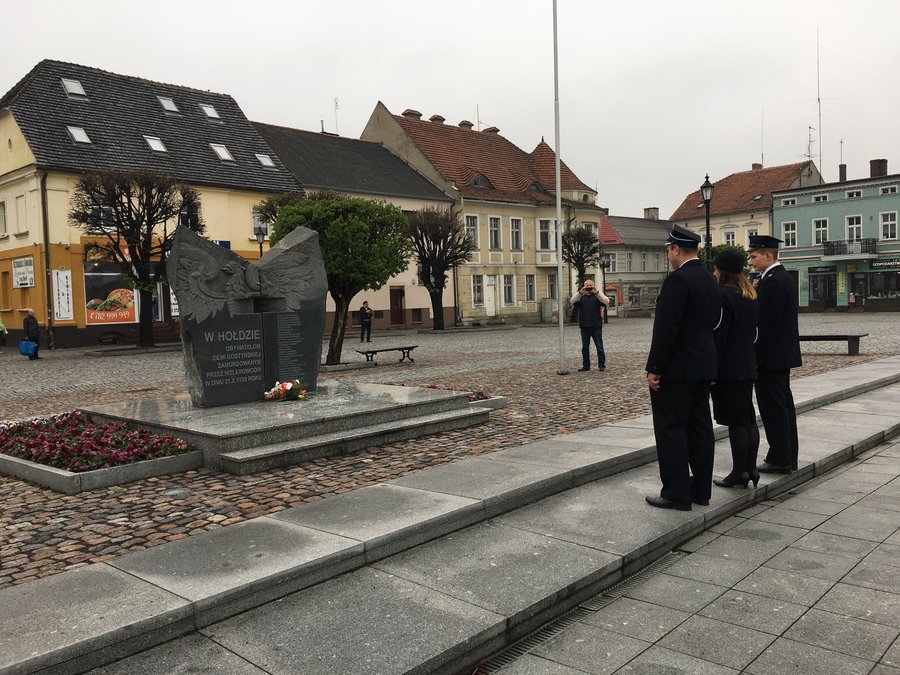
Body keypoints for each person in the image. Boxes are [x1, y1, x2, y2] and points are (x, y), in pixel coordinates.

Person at [644, 225, 721, 510]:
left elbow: (666, 329)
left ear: (676, 248)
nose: (668, 254)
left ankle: (676, 492)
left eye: (668, 249)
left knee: (671, 428)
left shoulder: (678, 281)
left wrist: (655, 367)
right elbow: (713, 322)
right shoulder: (709, 279)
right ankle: (701, 489)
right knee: (700, 428)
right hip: (703, 365)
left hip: (677, 368)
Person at [748, 235, 801, 474]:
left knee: (774, 408)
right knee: (783, 407)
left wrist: (756, 357)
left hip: (770, 357)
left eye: (754, 256)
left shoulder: (773, 281)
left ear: (768, 255)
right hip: (780, 355)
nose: (750, 261)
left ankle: (780, 457)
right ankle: (787, 455)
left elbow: (765, 324)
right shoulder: (779, 277)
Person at [710, 250, 761, 489]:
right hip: (747, 364)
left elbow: (718, 336)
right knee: (748, 418)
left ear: (722, 271)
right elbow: (754, 334)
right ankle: (750, 468)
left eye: (715, 268)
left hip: (728, 368)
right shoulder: (749, 295)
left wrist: (711, 369)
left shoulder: (721, 296)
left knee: (736, 421)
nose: (713, 272)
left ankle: (739, 471)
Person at [571, 279, 610, 371]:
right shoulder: (581, 298)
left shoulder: (597, 297)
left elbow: (606, 301)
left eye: (590, 286)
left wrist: (596, 292)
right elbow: (572, 301)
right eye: (587, 286)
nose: (588, 288)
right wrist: (580, 292)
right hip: (584, 325)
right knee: (585, 347)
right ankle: (586, 365)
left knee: (599, 346)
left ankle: (601, 365)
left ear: (593, 286)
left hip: (596, 325)